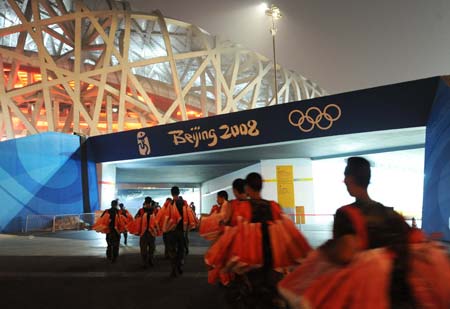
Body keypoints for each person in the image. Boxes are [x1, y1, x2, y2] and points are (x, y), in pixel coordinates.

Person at [203, 173, 311, 308]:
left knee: (248, 298)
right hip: (271, 260)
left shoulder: (240, 207)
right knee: (269, 296)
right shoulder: (273, 206)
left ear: (247, 188)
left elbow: (229, 234)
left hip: (249, 261)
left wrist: (213, 256)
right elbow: (288, 232)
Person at [135, 197, 156, 268]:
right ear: (150, 202)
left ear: (145, 202)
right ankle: (151, 260)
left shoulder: (141, 211)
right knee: (152, 247)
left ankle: (144, 262)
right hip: (152, 232)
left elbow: (136, 218)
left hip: (143, 233)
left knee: (143, 248)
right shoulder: (154, 210)